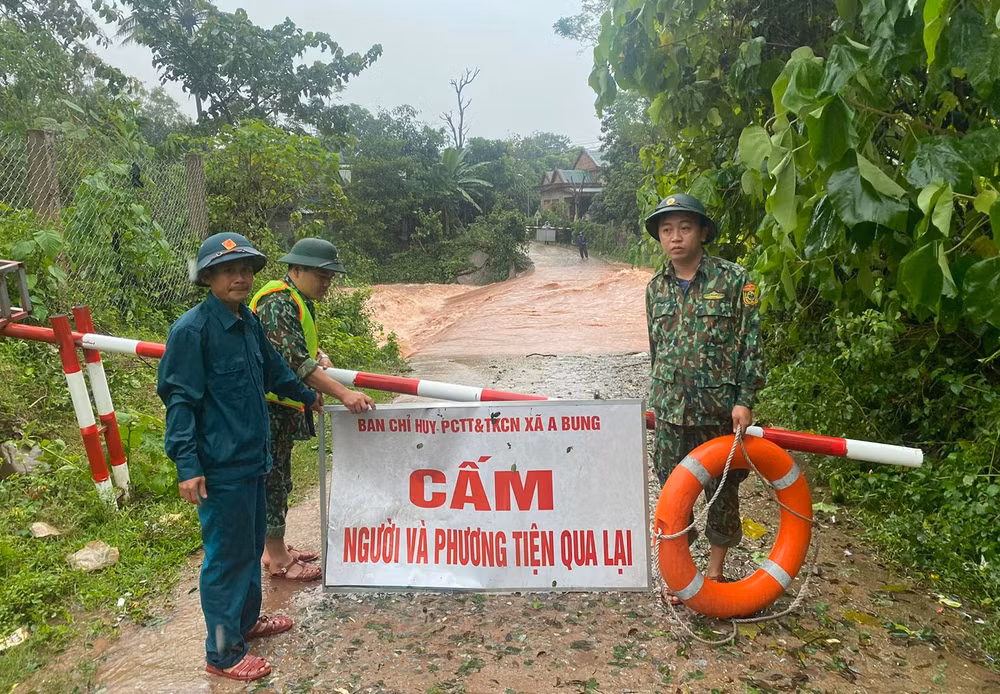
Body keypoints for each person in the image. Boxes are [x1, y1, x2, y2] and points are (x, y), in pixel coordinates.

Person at [157, 232, 322, 681]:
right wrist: (187, 466)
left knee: (250, 548)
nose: (241, 277)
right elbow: (180, 402)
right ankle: (223, 653)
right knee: (226, 558)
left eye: (247, 269)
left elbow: (276, 371)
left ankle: (247, 622)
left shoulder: (248, 322)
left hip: (254, 459)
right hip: (220, 466)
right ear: (208, 276)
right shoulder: (192, 331)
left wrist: (309, 396)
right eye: (229, 270)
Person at [643, 193, 765, 603]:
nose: (675, 237)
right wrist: (656, 398)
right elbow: (656, 349)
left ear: (702, 231)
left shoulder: (735, 280)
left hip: (717, 412)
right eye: (666, 229)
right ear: (659, 237)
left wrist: (744, 398)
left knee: (723, 489)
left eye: (684, 227)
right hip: (670, 411)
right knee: (670, 487)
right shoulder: (654, 288)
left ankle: (714, 571)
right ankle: (684, 568)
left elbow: (751, 344)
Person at [249, 237, 374, 581]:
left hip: (284, 404)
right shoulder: (278, 301)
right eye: (321, 275)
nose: (326, 283)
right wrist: (343, 394)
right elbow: (293, 361)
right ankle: (276, 558)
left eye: (330, 277)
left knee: (280, 477)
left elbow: (297, 348)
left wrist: (319, 356)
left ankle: (277, 545)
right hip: (269, 407)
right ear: (297, 269)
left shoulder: (296, 301)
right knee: (274, 480)